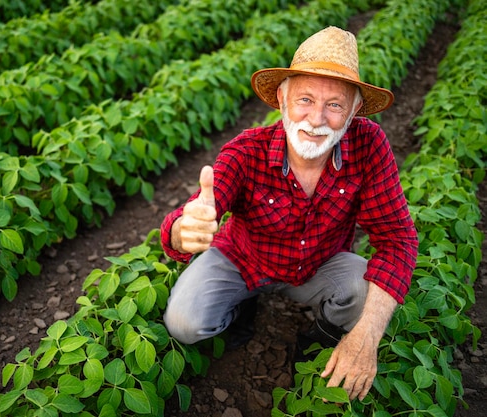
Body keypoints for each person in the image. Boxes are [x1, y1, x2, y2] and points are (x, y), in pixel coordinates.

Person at [160, 26, 418, 401]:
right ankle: (242, 307)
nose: (316, 118)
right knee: (184, 323)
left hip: (319, 264)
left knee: (367, 297)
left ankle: (316, 342)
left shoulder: (369, 144)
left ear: (354, 110)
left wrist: (366, 335)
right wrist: (184, 228)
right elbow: (202, 207)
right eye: (305, 99)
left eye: (334, 105)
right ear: (281, 98)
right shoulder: (246, 151)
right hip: (244, 260)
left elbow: (397, 240)